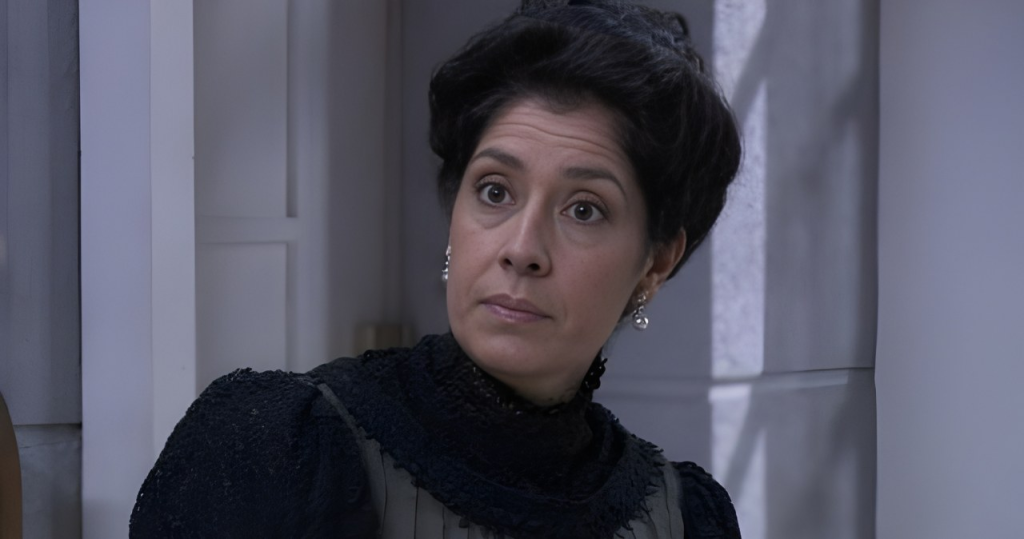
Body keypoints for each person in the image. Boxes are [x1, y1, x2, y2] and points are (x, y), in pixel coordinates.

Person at [130, 0, 742, 537]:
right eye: (495, 191)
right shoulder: (275, 448)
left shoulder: (688, 517)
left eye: (584, 209)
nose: (521, 248)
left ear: (655, 263)